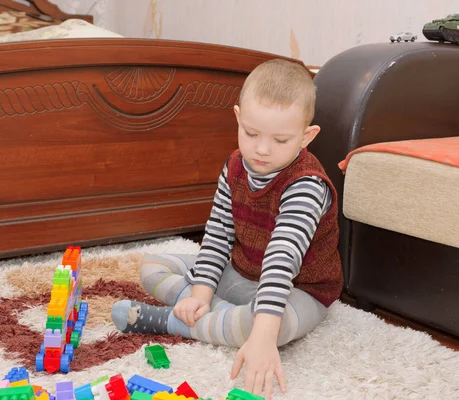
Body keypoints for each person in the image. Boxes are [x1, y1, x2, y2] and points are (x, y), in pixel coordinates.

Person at [111, 58, 343, 400]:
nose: (261, 149)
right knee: (150, 266)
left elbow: (282, 259)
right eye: (251, 133)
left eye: (280, 140)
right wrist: (200, 294)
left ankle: (172, 322)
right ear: (237, 119)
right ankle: (212, 313)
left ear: (306, 137)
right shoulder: (235, 164)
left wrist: (262, 339)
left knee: (269, 329)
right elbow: (218, 233)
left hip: (299, 289)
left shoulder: (306, 185)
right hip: (240, 271)